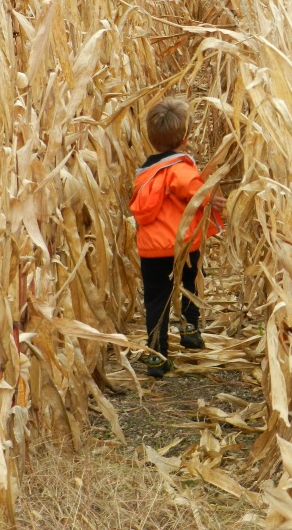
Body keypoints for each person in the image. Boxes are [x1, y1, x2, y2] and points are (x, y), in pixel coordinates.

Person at [130, 96, 226, 378]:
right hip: (184, 245)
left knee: (155, 300)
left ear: (151, 138)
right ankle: (189, 328)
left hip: (151, 250)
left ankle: (157, 356)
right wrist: (212, 198)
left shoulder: (145, 174)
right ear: (184, 139)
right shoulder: (180, 169)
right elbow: (193, 189)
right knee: (192, 282)